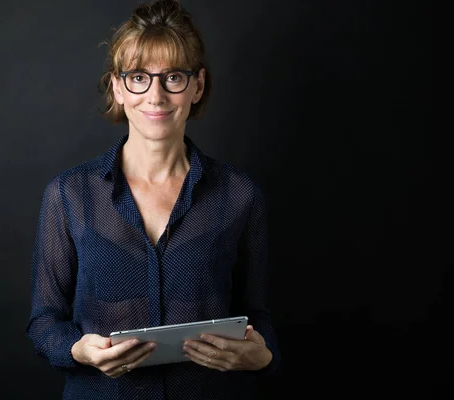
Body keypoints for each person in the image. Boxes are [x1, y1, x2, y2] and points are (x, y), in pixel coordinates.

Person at [26, 0, 280, 398]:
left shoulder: (240, 195)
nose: (156, 96)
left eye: (173, 77)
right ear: (118, 88)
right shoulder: (69, 195)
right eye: (138, 78)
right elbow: (44, 322)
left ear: (197, 86)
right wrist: (77, 350)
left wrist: (261, 357)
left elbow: (259, 316)